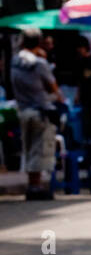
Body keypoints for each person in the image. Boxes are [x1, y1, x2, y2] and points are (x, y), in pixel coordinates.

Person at [11, 27, 64, 200]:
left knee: (28, 148)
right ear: (39, 42)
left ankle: (32, 184)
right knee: (40, 150)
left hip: (23, 110)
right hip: (41, 112)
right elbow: (54, 89)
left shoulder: (15, 61)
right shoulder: (39, 64)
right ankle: (36, 186)